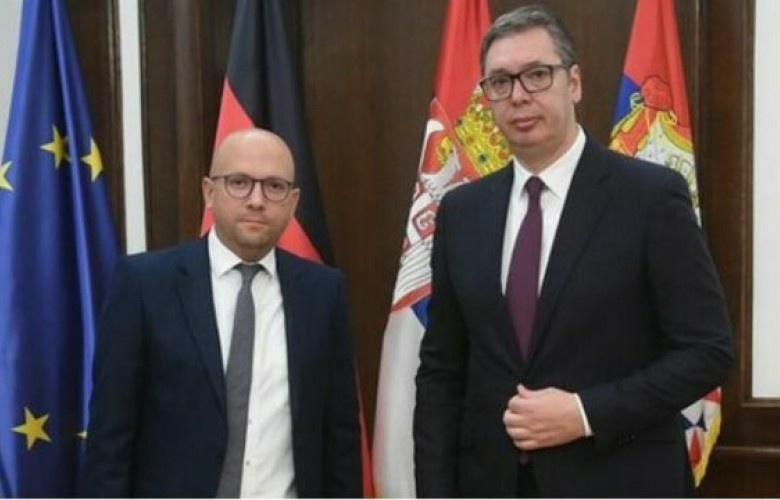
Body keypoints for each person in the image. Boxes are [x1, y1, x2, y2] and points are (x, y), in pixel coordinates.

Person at [413, 4, 733, 498]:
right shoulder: (461, 212)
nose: (519, 95)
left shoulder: (649, 197)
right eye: (500, 82)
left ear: (574, 83)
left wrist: (585, 413)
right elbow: (442, 370)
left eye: (537, 75)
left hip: (618, 480)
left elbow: (707, 351)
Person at [83, 128, 362, 497]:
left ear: (293, 202)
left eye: (274, 187)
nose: (257, 200)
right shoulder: (144, 285)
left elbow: (340, 440)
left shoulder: (323, 293)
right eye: (239, 183)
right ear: (209, 192)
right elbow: (109, 440)